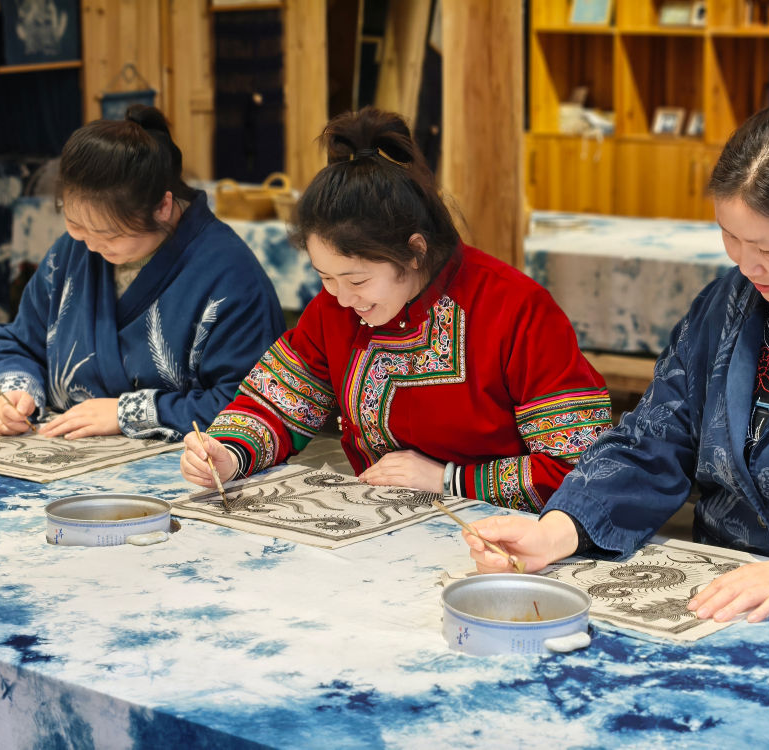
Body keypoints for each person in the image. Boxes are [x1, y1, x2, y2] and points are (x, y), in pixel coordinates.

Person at [464, 102, 769, 620]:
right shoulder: (729, 303)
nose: (746, 265)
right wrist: (558, 529)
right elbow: (654, 439)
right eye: (731, 237)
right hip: (719, 601)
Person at [181, 107, 611, 509]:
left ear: (415, 251)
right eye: (325, 277)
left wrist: (449, 479)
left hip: (505, 535)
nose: (341, 298)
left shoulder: (514, 309)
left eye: (357, 280)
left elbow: (584, 468)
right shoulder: (336, 308)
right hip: (376, 520)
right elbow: (277, 405)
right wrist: (229, 454)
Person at [0, 105, 285, 440]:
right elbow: (19, 342)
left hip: (181, 464)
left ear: (162, 207)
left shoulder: (230, 276)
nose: (90, 245)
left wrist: (127, 414)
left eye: (109, 234)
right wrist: (15, 394)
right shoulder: (73, 251)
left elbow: (252, 404)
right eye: (75, 225)